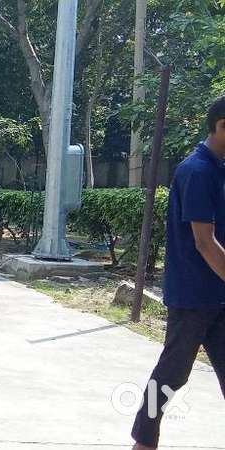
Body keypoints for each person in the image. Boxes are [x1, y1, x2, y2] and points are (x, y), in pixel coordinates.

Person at [131, 96, 225, 449]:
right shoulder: (198, 171)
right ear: (221, 126)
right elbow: (204, 242)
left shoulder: (218, 168)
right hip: (193, 296)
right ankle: (144, 441)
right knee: (172, 375)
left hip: (218, 295)